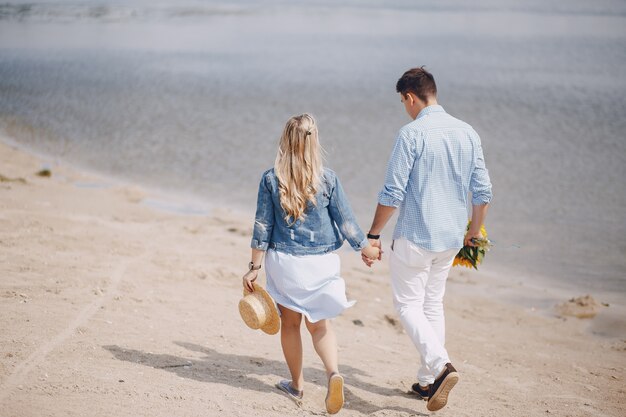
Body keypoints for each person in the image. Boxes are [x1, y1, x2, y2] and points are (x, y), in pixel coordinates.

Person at [363, 67, 493, 412]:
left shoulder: (411, 134)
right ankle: (426, 381)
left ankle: (440, 365)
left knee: (407, 305)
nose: (404, 108)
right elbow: (482, 191)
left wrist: (373, 234)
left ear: (410, 97)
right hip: (452, 236)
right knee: (432, 304)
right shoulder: (468, 133)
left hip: (416, 237)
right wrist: (475, 231)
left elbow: (392, 193)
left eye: (403, 102)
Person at [243, 113, 380, 414]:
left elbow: (262, 227)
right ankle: (333, 373)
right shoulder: (327, 179)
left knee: (290, 324)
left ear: (285, 140)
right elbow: (346, 222)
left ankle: (297, 385)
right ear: (315, 140)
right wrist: (365, 248)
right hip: (321, 264)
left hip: (286, 264)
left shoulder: (270, 179)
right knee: (320, 326)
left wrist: (254, 267)